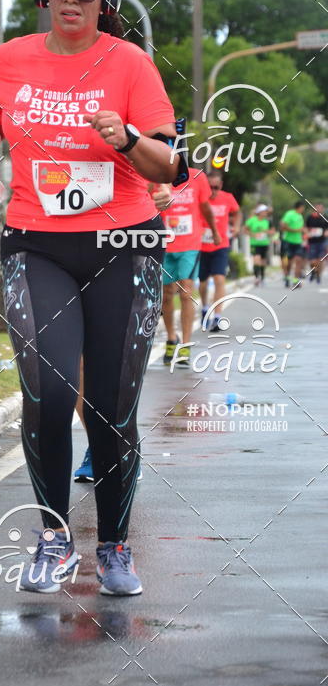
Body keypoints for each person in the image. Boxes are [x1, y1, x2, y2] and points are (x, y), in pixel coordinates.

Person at [0, 0, 184, 597]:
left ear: (104, 2)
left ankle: (114, 546)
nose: (70, 0)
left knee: (111, 408)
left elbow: (170, 164)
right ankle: (54, 539)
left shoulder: (132, 65)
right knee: (49, 393)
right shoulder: (12, 57)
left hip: (124, 247)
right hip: (37, 244)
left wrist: (128, 140)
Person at [74, 183, 173, 483]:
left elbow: (160, 171)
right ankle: (98, 446)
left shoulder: (128, 147)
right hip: (66, 241)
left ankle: (121, 446)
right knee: (74, 362)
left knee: (117, 359)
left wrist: (163, 189)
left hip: (128, 240)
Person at [159, 169, 221, 366]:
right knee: (167, 294)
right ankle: (171, 338)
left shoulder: (197, 176)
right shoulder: (155, 173)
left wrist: (214, 231)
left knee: (186, 292)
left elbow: (205, 207)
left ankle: (185, 345)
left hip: (190, 245)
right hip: (164, 243)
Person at [198, 173, 241, 329]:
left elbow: (237, 212)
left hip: (221, 245)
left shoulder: (227, 198)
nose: (213, 191)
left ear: (221, 185)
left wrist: (236, 227)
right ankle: (205, 307)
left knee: (219, 280)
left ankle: (217, 316)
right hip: (201, 246)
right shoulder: (200, 198)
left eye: (216, 187)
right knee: (203, 282)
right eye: (210, 187)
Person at [244, 204, 274, 286]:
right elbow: (245, 230)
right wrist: (253, 235)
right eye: (264, 211)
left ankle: (263, 278)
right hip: (255, 244)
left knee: (263, 261)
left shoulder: (268, 221)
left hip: (264, 243)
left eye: (266, 211)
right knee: (256, 259)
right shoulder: (252, 220)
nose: (265, 213)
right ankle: (257, 277)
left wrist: (267, 232)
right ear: (259, 212)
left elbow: (272, 231)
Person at [280, 200, 305, 288]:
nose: (303, 209)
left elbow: (300, 228)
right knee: (289, 262)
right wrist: (294, 230)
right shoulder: (290, 214)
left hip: (298, 242)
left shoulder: (300, 216)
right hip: (288, 241)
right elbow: (283, 225)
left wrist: (303, 231)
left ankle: (295, 280)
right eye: (303, 208)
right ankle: (287, 277)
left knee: (298, 260)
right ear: (299, 207)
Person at [305, 203, 327, 283]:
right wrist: (307, 233)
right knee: (312, 261)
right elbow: (306, 227)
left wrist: (326, 232)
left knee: (320, 260)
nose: (319, 210)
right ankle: (313, 271)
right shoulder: (310, 217)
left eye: (321, 208)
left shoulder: (325, 218)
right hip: (312, 241)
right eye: (317, 208)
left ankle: (318, 275)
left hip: (322, 241)